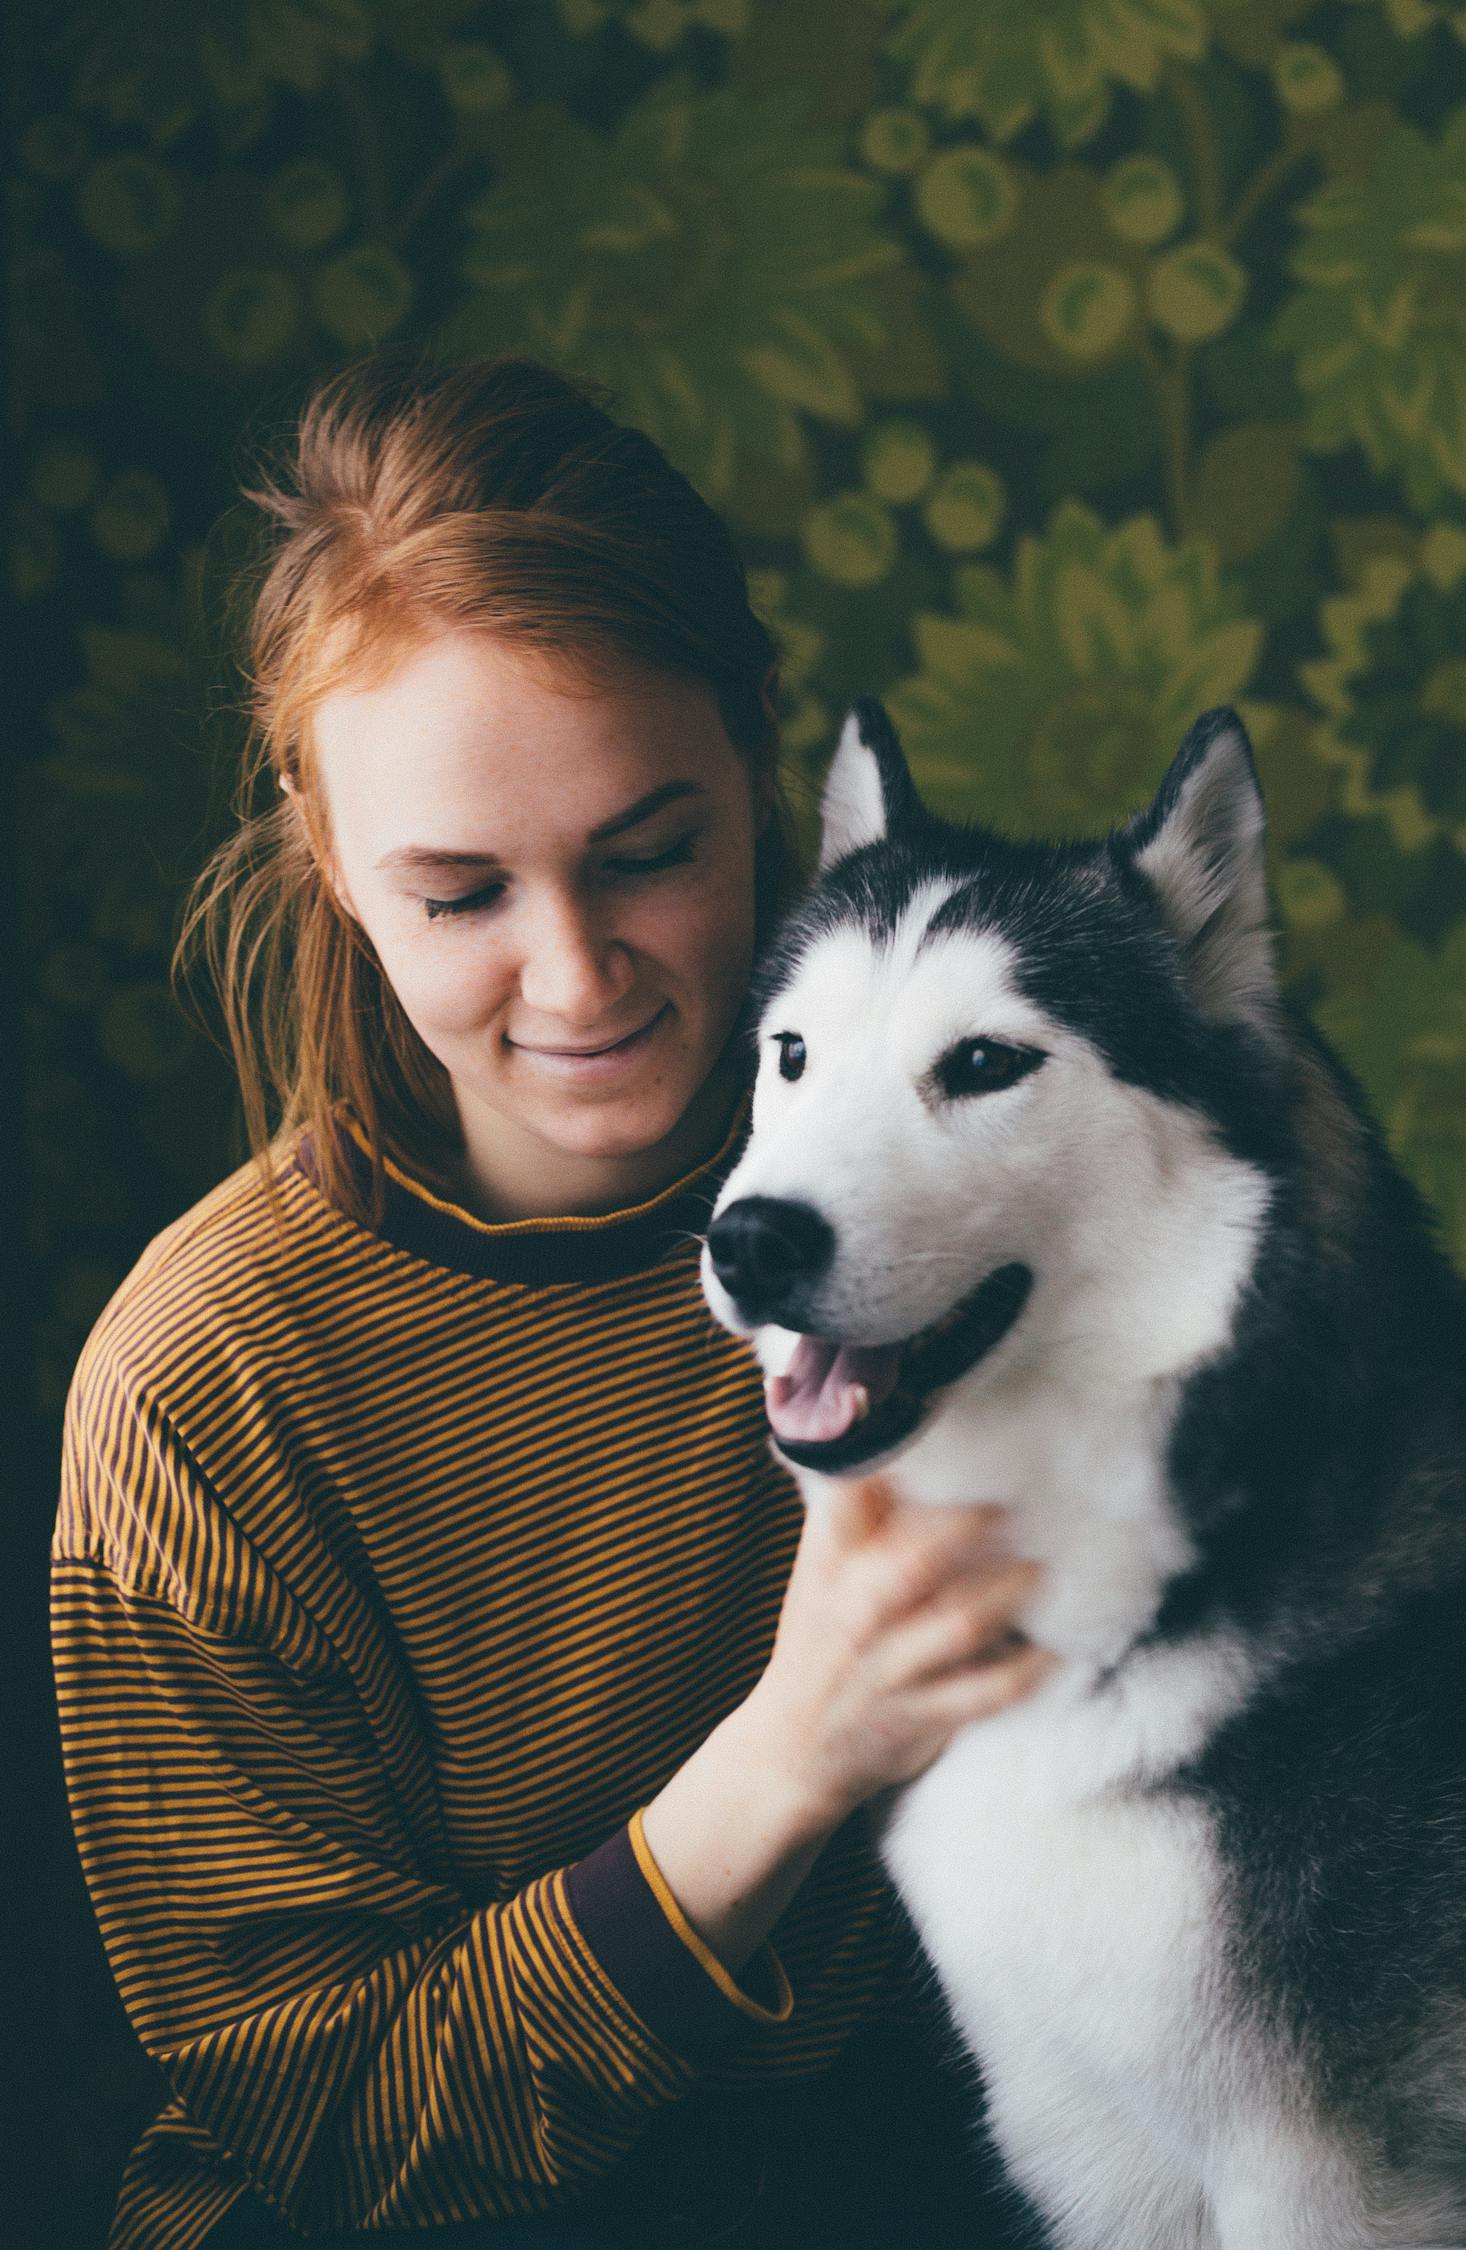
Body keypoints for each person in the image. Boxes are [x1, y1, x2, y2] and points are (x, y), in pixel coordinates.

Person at [51, 346, 1053, 2250]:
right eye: (458, 894)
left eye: (649, 853)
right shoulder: (203, 1392)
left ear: (754, 743)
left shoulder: (992, 1153)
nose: (578, 979)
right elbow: (322, 2128)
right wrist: (798, 1746)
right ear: (325, 850)